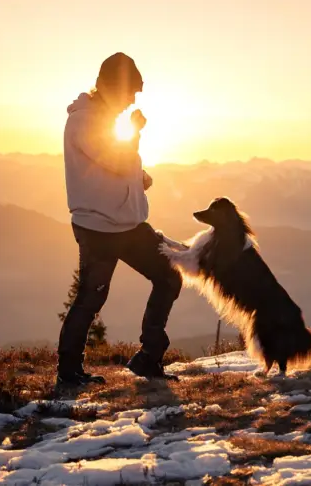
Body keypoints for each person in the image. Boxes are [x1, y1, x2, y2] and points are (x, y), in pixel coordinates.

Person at [57, 52, 182, 387]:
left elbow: (112, 166)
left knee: (168, 277)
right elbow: (116, 160)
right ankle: (69, 372)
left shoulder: (103, 120)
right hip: (99, 228)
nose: (131, 101)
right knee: (91, 297)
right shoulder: (85, 120)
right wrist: (136, 132)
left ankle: (147, 359)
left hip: (124, 224)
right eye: (129, 93)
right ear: (112, 87)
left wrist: (137, 179)